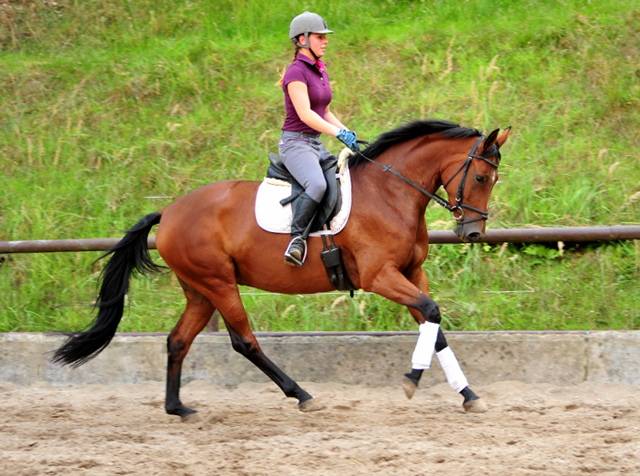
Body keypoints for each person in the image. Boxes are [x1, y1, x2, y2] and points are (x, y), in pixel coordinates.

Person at [278, 11, 360, 267]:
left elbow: (324, 111)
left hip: (315, 143)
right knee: (317, 185)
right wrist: (337, 134)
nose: (325, 41)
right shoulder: (295, 73)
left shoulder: (319, 71)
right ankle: (297, 240)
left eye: (325, 37)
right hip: (295, 143)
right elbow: (305, 114)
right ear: (302, 39)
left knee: (347, 178)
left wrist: (348, 133)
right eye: (319, 37)